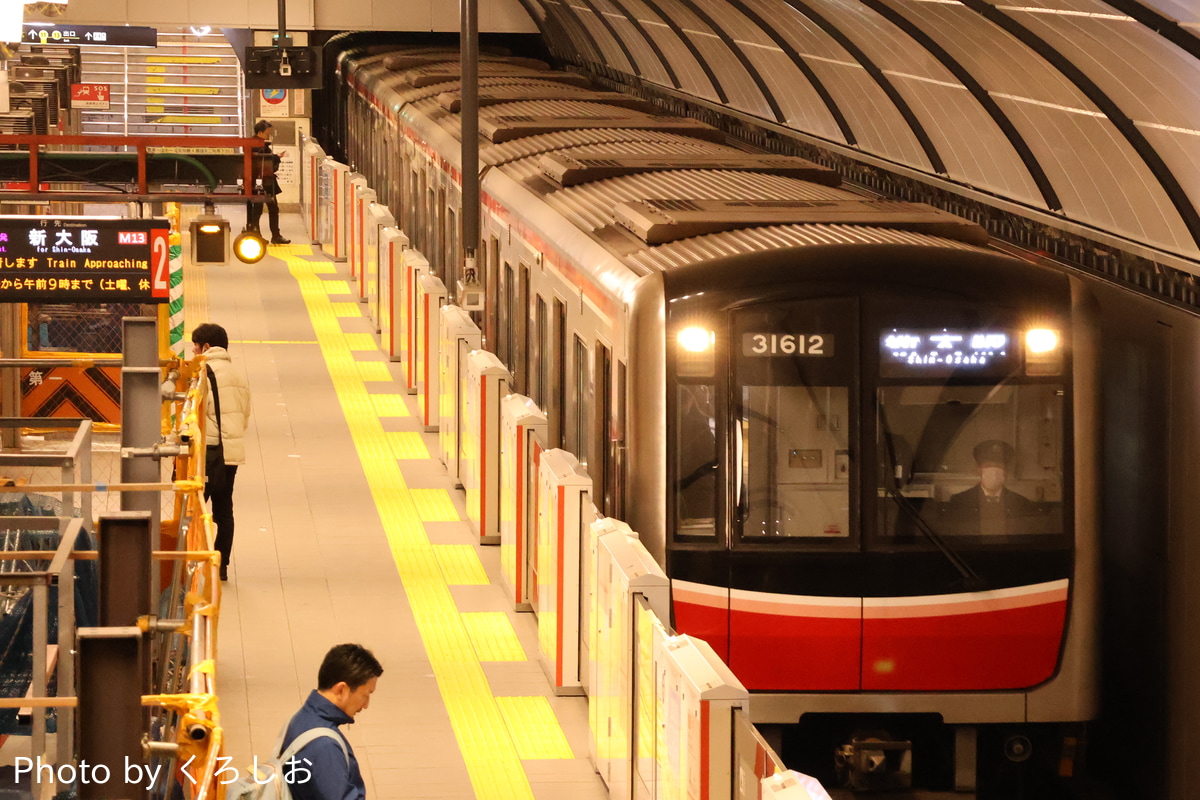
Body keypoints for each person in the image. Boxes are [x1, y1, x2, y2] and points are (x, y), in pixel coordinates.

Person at [281, 644, 383, 800]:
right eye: (366, 695)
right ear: (341, 689)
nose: (366, 705)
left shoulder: (301, 718)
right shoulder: (324, 745)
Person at [193, 323, 252, 581]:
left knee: (194, 508)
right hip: (231, 453)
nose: (193, 352)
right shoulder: (239, 375)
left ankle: (192, 561)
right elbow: (245, 415)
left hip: (209, 452)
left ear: (206, 346)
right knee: (224, 508)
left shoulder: (204, 374)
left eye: (195, 346)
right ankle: (222, 563)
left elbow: (198, 415)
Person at [945, 439, 1036, 535]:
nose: (994, 471)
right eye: (988, 466)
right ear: (979, 470)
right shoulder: (960, 502)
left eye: (999, 466)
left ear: (1006, 471)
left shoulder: (1021, 503)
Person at [246, 120, 290, 245]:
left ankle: (270, 234)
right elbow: (263, 161)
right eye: (267, 133)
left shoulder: (258, 144)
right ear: (260, 132)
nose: (269, 136)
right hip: (261, 182)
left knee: (270, 208)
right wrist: (276, 158)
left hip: (265, 181)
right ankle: (262, 234)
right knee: (260, 209)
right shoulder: (256, 145)